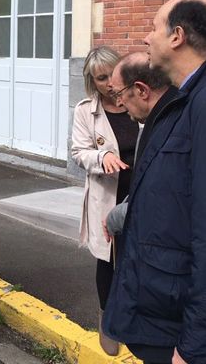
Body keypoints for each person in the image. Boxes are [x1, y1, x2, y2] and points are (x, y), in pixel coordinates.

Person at [103, 0, 206, 364]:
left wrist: (196, 344)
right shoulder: (188, 99)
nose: (146, 38)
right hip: (162, 312)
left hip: (182, 331)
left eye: (153, 28)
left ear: (177, 36)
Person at [71, 46, 139, 356]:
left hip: (142, 192)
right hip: (108, 196)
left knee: (137, 257)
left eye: (111, 75)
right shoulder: (86, 110)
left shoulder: (140, 100)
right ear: (92, 81)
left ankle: (135, 317)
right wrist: (103, 156)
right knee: (108, 260)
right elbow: (78, 152)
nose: (109, 84)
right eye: (101, 78)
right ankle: (107, 320)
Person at [102, 52, 177, 238]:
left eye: (119, 94)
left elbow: (158, 203)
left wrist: (116, 217)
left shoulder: (170, 127)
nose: (118, 102)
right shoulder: (156, 121)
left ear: (142, 91)